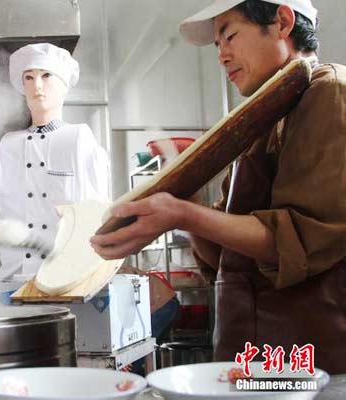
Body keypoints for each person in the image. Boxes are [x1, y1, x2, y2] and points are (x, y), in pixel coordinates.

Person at [91, 0, 346, 374]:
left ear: (282, 22)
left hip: (315, 366)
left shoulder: (330, 92)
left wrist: (181, 212)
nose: (222, 56)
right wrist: (184, 195)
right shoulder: (261, 122)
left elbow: (298, 240)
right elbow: (224, 260)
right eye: (217, 45)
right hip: (251, 361)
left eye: (229, 35)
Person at [0, 43, 110, 282]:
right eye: (29, 78)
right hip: (13, 280)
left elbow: (97, 212)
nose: (37, 86)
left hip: (65, 278)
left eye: (46, 76)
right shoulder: (8, 144)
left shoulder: (79, 137)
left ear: (64, 85)